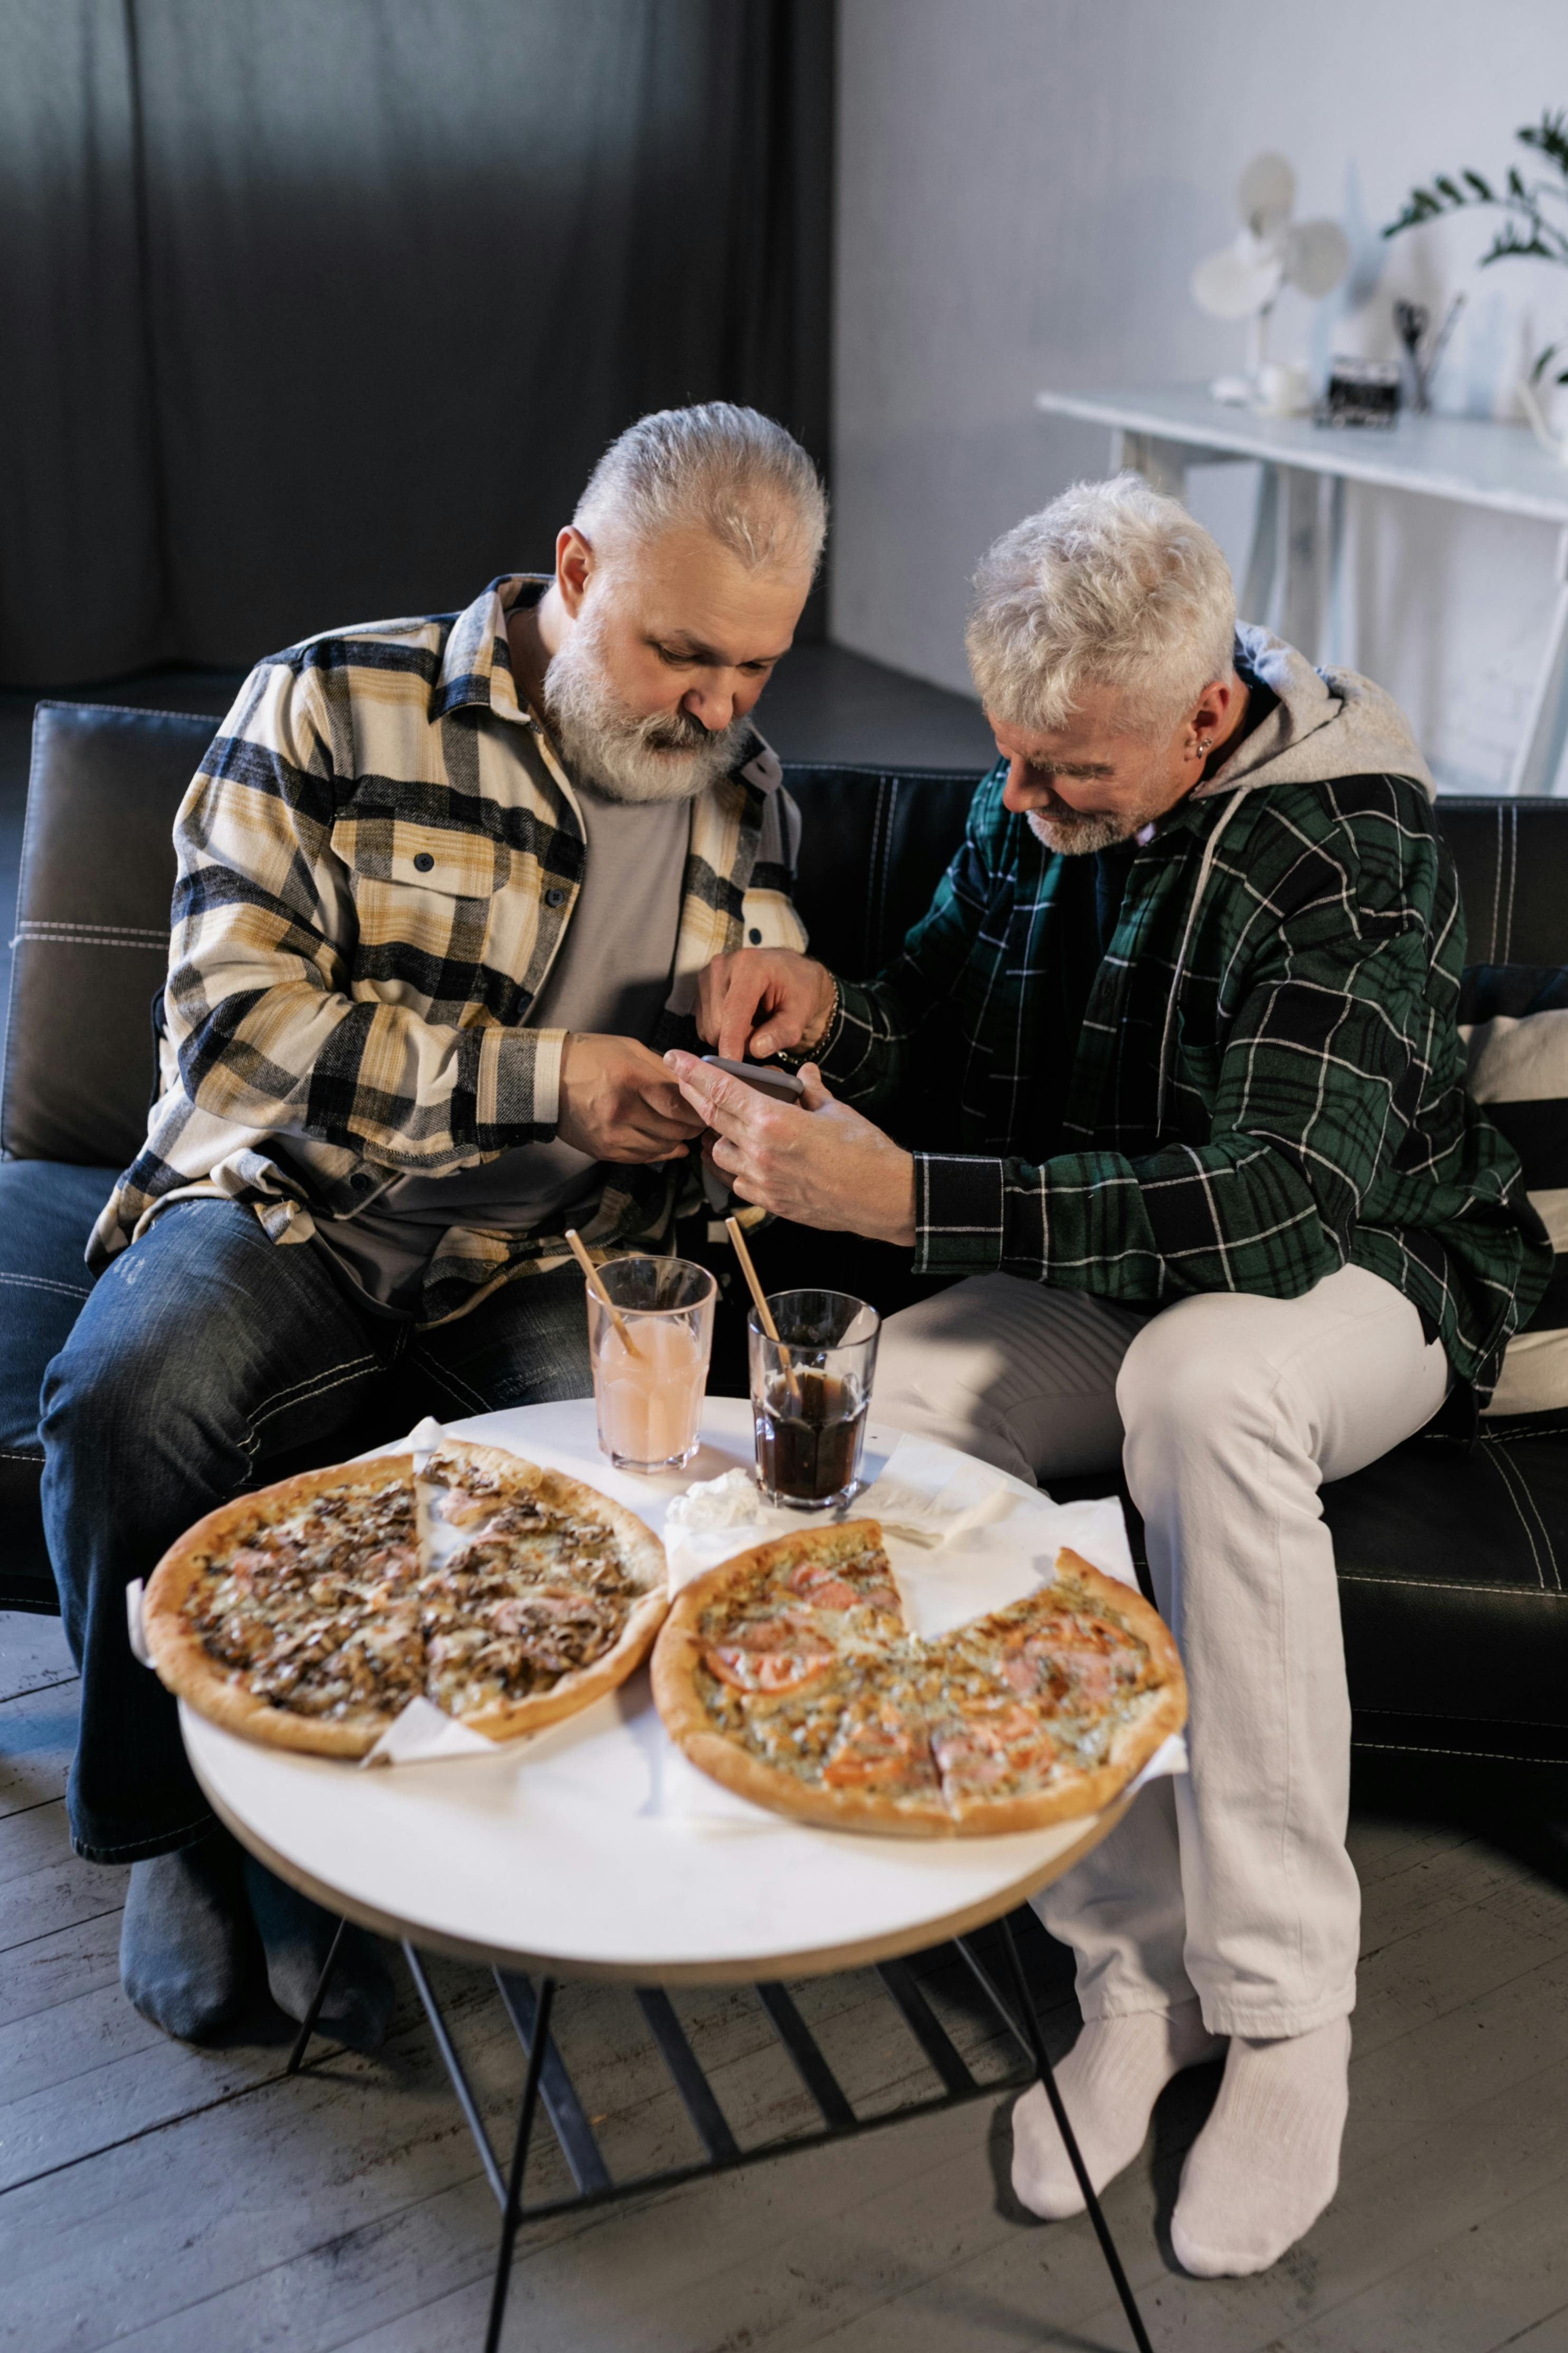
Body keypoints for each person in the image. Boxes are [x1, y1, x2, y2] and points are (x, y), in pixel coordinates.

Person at [669, 474, 1548, 2279]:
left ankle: (1291, 2010)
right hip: (1116, 1261)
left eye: (1064, 769)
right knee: (888, 1406)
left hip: (1357, 1270)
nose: (1017, 798)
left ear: (1204, 714)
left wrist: (909, 1194)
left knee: (1205, 1391)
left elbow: (1274, 1200)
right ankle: (1129, 1969)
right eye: (1006, 754)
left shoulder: (1353, 846)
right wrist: (830, 1008)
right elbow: (938, 1001)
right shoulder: (1042, 789)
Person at [42, 402, 825, 2045]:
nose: (720, 704)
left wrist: (799, 1002)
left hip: (550, 1258)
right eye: (687, 651)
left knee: (632, 1495)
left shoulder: (742, 788)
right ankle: (171, 1832)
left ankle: (358, 1851)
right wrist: (550, 1080)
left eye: (757, 667)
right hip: (291, 1212)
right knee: (133, 1404)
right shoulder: (330, 698)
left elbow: (759, 1010)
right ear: (572, 570)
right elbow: (233, 1033)